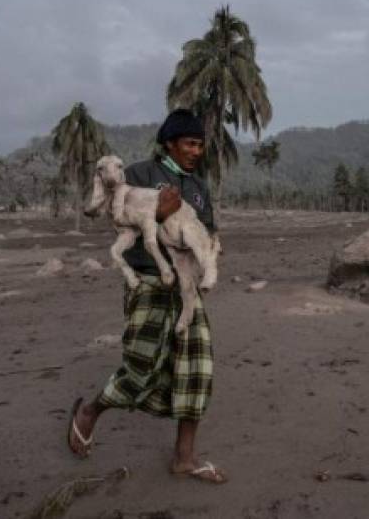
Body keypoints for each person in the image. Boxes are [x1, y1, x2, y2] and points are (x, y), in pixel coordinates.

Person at [67, 108, 226, 484]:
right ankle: (90, 412)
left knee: (197, 368)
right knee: (141, 366)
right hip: (148, 282)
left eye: (200, 145)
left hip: (185, 289)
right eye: (189, 143)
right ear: (169, 143)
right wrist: (156, 214)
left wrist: (211, 252)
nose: (196, 151)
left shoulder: (200, 188)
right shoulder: (138, 174)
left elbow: (206, 231)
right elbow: (116, 220)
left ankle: (184, 458)